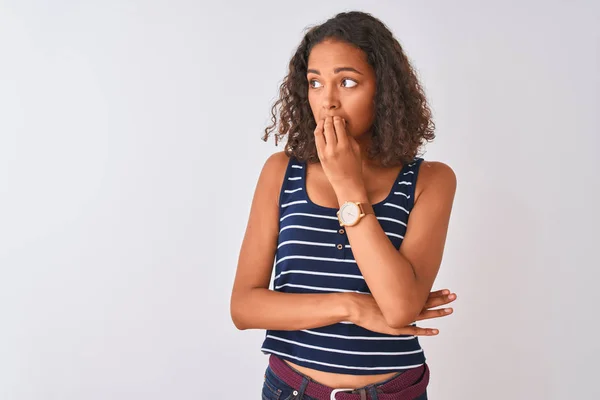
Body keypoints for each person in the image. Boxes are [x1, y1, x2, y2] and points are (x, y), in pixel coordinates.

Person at [230, 11, 457, 400]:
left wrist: (347, 185)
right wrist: (351, 306)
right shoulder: (281, 172)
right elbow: (245, 307)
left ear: (383, 90)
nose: (328, 101)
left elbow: (401, 308)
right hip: (292, 390)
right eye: (315, 83)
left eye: (347, 82)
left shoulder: (430, 180)